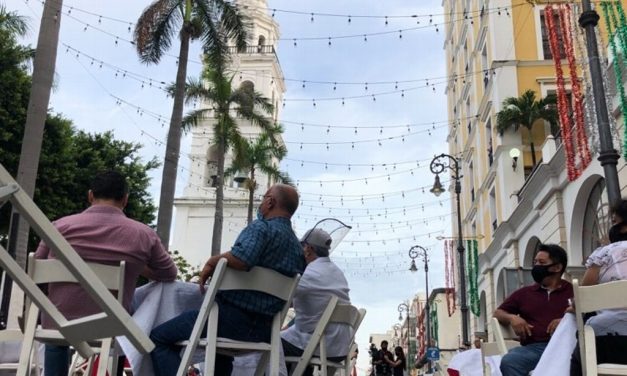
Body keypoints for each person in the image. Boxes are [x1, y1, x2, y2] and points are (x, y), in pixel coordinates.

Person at [149, 184, 305, 376]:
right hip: (265, 330)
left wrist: (213, 261)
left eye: (264, 198)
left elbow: (242, 258)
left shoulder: (261, 228)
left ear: (270, 201)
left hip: (227, 322)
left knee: (158, 338)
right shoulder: (298, 248)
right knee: (221, 355)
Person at [34, 170, 178, 376]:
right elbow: (169, 274)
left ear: (90, 195)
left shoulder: (59, 226)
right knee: (126, 321)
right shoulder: (143, 234)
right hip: (112, 325)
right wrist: (136, 265)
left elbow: (37, 267)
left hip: (59, 323)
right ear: (125, 199)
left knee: (57, 327)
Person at [494, 243, 573, 376]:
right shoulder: (524, 293)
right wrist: (513, 317)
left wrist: (567, 321)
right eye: (535, 262)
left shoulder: (573, 291)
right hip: (535, 348)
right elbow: (498, 313)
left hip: (567, 346)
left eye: (541, 262)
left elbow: (588, 315)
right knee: (510, 361)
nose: (536, 266)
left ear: (557, 267)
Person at [281, 228, 352, 376]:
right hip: (340, 347)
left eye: (302, 246)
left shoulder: (310, 273)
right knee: (292, 342)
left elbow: (284, 297)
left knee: (271, 343)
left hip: (320, 345)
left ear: (309, 249)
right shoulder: (337, 272)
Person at [570, 199, 627, 375]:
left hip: (611, 338)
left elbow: (585, 295)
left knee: (581, 348)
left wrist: (573, 306)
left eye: (615, 222)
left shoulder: (605, 253)